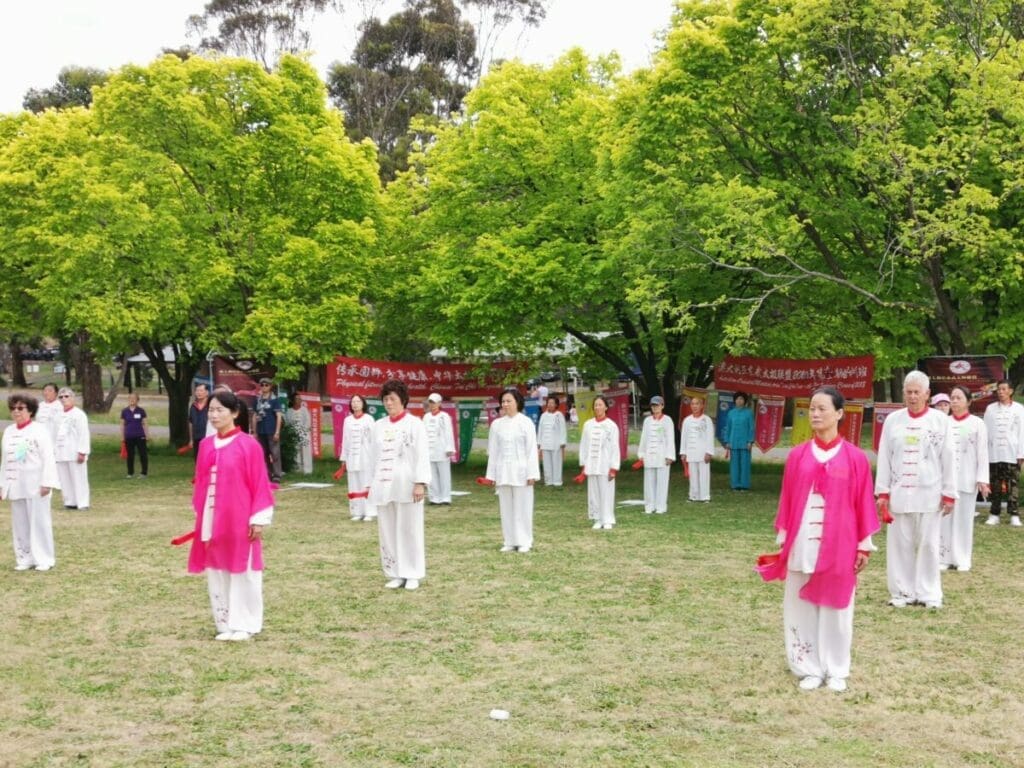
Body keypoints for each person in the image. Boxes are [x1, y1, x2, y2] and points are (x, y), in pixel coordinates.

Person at [757, 387, 879, 693]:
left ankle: (836, 668)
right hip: (802, 542)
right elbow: (787, 498)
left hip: (840, 544)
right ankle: (807, 666)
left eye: (822, 408)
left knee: (838, 609)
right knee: (799, 606)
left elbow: (862, 502)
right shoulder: (798, 455)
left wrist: (864, 544)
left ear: (839, 413)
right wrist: (785, 538)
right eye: (812, 408)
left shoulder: (855, 458)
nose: (815, 413)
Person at [187, 390, 275, 641]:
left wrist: (258, 518)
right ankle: (225, 622)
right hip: (212, 517)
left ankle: (245, 624)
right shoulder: (205, 445)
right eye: (211, 411)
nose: (213, 416)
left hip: (240, 516)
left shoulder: (249, 445)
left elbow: (259, 484)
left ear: (234, 413)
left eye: (219, 411)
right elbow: (202, 481)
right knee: (216, 567)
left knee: (242, 569)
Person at [875, 370, 956, 608]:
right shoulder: (893, 420)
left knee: (929, 545)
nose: (912, 397)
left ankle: (929, 593)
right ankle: (902, 592)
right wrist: (883, 492)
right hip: (900, 493)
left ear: (927, 394)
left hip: (930, 493)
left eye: (916, 392)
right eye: (908, 392)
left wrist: (949, 493)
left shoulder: (940, 421)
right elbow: (885, 458)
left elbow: (949, 458)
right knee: (900, 545)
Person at [368, 379, 430, 590]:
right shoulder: (378, 426)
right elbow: (373, 457)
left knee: (409, 528)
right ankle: (395, 572)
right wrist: (370, 484)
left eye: (392, 398)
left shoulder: (415, 424)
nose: (389, 403)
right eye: (385, 399)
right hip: (384, 484)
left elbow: (422, 455)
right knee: (388, 528)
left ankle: (412, 572)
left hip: (407, 483)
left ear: (402, 400)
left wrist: (420, 482)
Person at [2, 395, 60, 572]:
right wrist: (2, 484)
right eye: (13, 408)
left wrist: (47, 482)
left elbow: (48, 458)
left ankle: (44, 558)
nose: (16, 412)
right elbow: (5, 460)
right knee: (20, 523)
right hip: (16, 484)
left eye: (21, 408)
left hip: (36, 484)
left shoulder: (39, 431)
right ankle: (25, 557)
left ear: (31, 411)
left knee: (39, 522)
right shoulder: (9, 431)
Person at [940, 385, 989, 571]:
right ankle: (944, 557)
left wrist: (982, 479)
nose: (954, 401)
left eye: (958, 398)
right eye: (952, 397)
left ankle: (962, 558)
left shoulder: (977, 424)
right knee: (945, 519)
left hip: (967, 478)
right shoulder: (943, 423)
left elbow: (982, 454)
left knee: (964, 520)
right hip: (946, 480)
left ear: (968, 401)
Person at [486, 388, 540, 552]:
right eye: (503, 401)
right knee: (506, 507)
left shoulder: (526, 422)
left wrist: (532, 473)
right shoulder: (497, 424)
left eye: (509, 401)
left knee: (522, 506)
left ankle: (524, 540)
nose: (506, 404)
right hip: (503, 470)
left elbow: (531, 449)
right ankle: (509, 540)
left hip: (521, 470)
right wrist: (491, 475)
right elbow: (493, 451)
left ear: (517, 403)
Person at [983, 379, 1024, 526]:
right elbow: (985, 432)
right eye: (999, 389)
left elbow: (1021, 432)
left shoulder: (1019, 409)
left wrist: (1021, 453)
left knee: (1012, 484)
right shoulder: (990, 408)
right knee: (995, 484)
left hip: (1012, 452)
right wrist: (984, 452)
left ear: (1011, 391)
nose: (1000, 392)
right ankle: (994, 514)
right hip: (994, 452)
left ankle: (1014, 515)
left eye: (1004, 389)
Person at [579, 394, 620, 530]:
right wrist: (584, 464)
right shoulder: (588, 425)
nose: (597, 407)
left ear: (606, 407)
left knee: (606, 492)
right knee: (594, 493)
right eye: (595, 405)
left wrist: (614, 467)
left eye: (600, 404)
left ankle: (607, 518)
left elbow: (615, 447)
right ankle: (597, 518)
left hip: (605, 464)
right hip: (591, 464)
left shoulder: (611, 426)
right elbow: (584, 445)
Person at [340, 394, 376, 522]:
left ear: (363, 403)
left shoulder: (369, 419)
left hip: (366, 457)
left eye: (358, 401)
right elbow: (345, 440)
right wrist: (344, 458)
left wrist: (374, 457)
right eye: (353, 401)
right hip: (352, 457)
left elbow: (374, 440)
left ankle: (369, 511)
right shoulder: (347, 420)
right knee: (354, 484)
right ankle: (356, 511)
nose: (355, 404)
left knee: (366, 484)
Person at [636, 395, 675, 514]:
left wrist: (670, 455)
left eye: (657, 405)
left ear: (662, 406)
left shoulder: (667, 420)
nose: (655, 407)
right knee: (648, 482)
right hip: (649, 455)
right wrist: (641, 454)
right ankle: (649, 506)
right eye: (653, 405)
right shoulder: (647, 420)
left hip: (662, 454)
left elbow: (670, 438)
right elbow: (644, 438)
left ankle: (661, 507)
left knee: (662, 482)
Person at [53, 387, 90, 511]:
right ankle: (70, 501)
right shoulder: (57, 415)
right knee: (64, 478)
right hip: (61, 452)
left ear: (73, 398)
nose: (64, 399)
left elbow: (83, 434)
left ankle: (82, 502)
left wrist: (82, 451)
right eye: (61, 397)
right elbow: (54, 434)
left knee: (79, 478)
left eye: (66, 396)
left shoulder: (79, 414)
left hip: (74, 451)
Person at [680, 395, 715, 502]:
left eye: (697, 404)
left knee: (704, 475)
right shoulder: (687, 420)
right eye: (693, 404)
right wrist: (683, 452)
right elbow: (684, 437)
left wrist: (709, 452)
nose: (695, 406)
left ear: (702, 405)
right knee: (693, 475)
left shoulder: (706, 419)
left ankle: (705, 496)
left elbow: (710, 436)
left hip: (703, 452)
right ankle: (693, 496)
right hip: (691, 451)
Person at [423, 393, 455, 505]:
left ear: (439, 403)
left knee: (444, 475)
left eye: (435, 402)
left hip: (442, 450)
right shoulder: (426, 417)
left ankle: (445, 497)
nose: (432, 405)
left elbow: (449, 433)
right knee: (431, 475)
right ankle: (434, 497)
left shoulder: (444, 416)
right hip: (429, 450)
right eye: (430, 402)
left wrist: (449, 448)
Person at [251, 378, 283, 482]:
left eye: (266, 385)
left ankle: (277, 475)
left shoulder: (274, 399)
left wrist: (277, 431)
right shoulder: (257, 399)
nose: (264, 386)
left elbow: (278, 416)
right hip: (260, 431)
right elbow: (254, 415)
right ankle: (267, 474)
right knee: (263, 453)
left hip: (271, 430)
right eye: (262, 384)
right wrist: (254, 431)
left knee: (275, 453)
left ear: (270, 386)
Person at [723, 392, 755, 490]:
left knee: (745, 464)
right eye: (737, 399)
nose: (739, 401)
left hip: (745, 443)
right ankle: (735, 485)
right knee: (734, 465)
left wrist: (750, 441)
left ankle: (744, 485)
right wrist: (727, 441)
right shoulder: (731, 413)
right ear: (734, 400)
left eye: (741, 399)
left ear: (744, 401)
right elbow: (728, 428)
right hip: (733, 442)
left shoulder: (749, 413)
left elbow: (751, 428)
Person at [537, 396, 567, 487]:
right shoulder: (543, 415)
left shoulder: (559, 415)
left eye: (552, 403)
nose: (550, 405)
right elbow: (540, 429)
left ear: (556, 404)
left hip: (556, 443)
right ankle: (548, 481)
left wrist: (563, 441)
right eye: (548, 403)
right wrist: (539, 442)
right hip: (545, 443)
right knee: (546, 463)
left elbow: (563, 429)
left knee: (557, 462)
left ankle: (557, 481)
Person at [120, 392, 150, 478]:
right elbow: (122, 424)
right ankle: (130, 473)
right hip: (129, 436)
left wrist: (147, 435)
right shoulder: (124, 411)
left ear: (137, 400)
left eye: (134, 398)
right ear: (128, 400)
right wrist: (122, 436)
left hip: (140, 435)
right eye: (130, 398)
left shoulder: (141, 411)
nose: (132, 400)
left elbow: (145, 423)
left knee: (143, 454)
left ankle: (143, 473)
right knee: (130, 455)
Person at [284, 392, 313, 475]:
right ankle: (297, 469)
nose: (299, 400)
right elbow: (287, 423)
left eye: (300, 399)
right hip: (293, 434)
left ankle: (307, 470)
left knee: (306, 451)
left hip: (304, 433)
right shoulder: (289, 411)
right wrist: (292, 432)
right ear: (293, 400)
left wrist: (302, 431)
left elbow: (308, 422)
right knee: (296, 452)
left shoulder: (304, 410)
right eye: (297, 399)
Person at [187, 382, 211, 460]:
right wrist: (191, 439)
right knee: (197, 458)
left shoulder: (211, 405)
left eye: (201, 391)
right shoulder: (193, 406)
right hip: (196, 437)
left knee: (208, 458)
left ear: (207, 392)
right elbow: (191, 422)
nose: (198, 393)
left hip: (208, 437)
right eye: (197, 391)